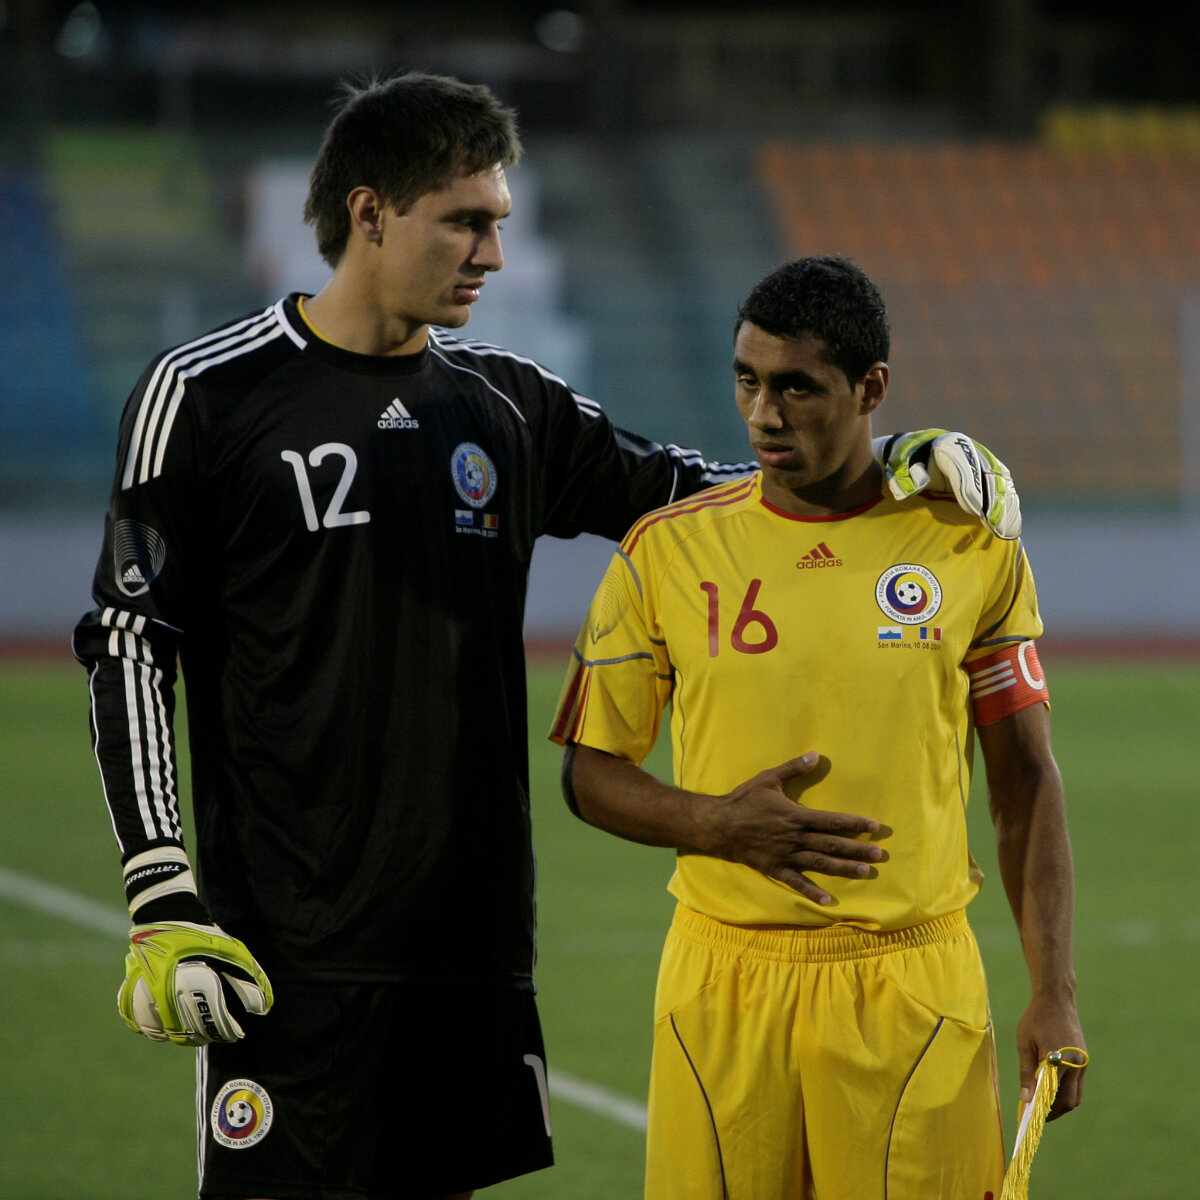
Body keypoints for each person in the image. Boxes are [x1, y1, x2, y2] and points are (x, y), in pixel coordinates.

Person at [71, 71, 1021, 1200]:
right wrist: (161, 892)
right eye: (467, 221)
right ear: (371, 213)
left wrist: (897, 464)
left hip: (468, 947)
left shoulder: (507, 404)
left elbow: (709, 496)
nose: (494, 255)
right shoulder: (208, 393)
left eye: (500, 225)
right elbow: (131, 640)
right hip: (291, 947)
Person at [552, 256, 1085, 1200]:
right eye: (748, 381)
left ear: (871, 387)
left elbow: (1026, 781)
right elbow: (589, 774)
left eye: (798, 386)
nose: (764, 413)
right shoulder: (665, 550)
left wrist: (1056, 991)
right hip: (721, 980)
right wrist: (716, 826)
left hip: (910, 981)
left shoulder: (969, 539)